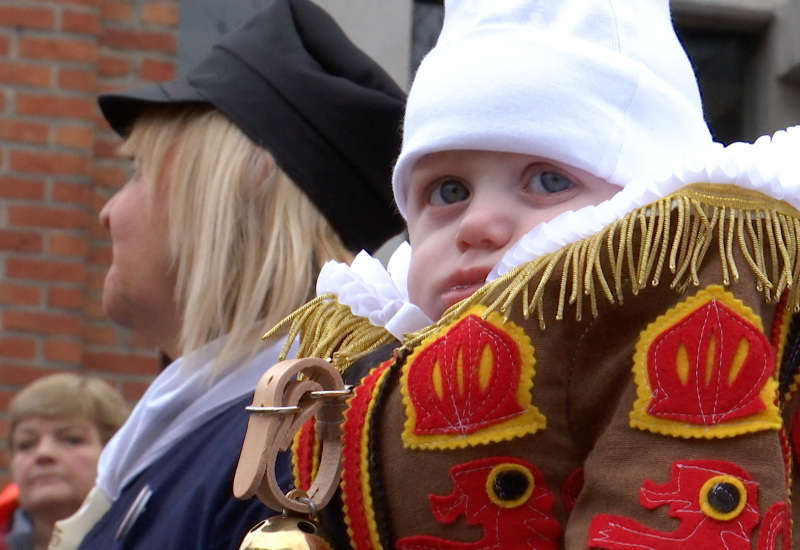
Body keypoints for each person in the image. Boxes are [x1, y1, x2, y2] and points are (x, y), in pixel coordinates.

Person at [236, 0, 800, 548]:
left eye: (548, 181)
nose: (478, 223)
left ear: (647, 215)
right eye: (447, 192)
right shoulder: (375, 361)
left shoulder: (684, 321)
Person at [48, 1, 406, 549]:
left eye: (136, 171)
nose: (107, 213)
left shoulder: (304, 452)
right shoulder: (207, 427)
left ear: (228, 198)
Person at [0, 374, 129, 550]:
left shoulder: (154, 537)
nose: (43, 453)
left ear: (114, 452)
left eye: (71, 439)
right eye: (26, 444)